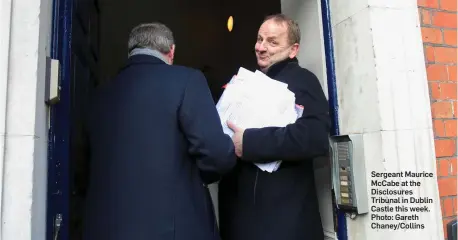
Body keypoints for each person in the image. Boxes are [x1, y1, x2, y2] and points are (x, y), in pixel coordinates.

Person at [80, 22, 236, 240]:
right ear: (171, 51)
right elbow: (217, 155)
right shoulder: (187, 80)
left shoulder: (98, 96)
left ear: (130, 52)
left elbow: (82, 171)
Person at [218, 14, 330, 240]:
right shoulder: (247, 83)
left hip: (281, 222)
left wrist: (249, 142)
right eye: (259, 40)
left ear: (293, 50)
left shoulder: (303, 80)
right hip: (242, 216)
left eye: (272, 42)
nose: (261, 47)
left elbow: (315, 137)